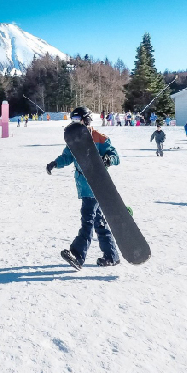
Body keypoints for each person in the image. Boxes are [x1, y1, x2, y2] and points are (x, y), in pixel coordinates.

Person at [46, 107, 120, 268]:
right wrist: (55, 163)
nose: (75, 124)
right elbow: (67, 156)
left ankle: (77, 255)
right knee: (98, 222)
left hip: (96, 185)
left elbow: (115, 156)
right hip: (84, 186)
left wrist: (109, 159)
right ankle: (112, 255)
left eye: (77, 120)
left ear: (86, 120)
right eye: (73, 121)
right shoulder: (75, 139)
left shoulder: (99, 138)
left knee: (87, 220)